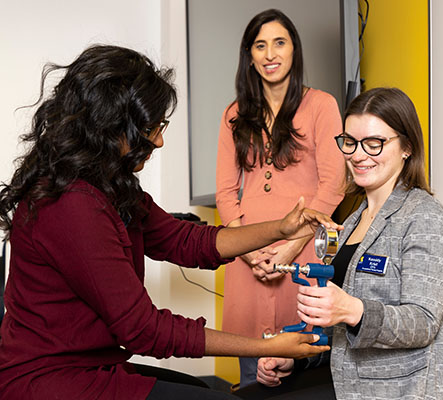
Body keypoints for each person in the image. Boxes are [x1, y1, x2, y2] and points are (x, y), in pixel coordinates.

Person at [0, 44, 337, 400]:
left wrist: (281, 228)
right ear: (111, 125)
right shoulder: (71, 205)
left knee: (199, 389)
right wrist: (266, 345)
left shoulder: (110, 184)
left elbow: (187, 241)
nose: (159, 141)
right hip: (46, 379)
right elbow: (144, 329)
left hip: (92, 363)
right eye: (150, 128)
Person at [239, 87, 443, 399]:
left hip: (406, 390)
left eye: (374, 143)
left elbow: (422, 322)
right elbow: (343, 328)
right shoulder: (354, 220)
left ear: (407, 147)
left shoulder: (424, 217)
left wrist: (352, 309)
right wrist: (297, 357)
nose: (357, 154)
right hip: (350, 382)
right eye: (350, 142)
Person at [215, 9, 345, 387]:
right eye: (260, 45)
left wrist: (292, 247)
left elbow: (334, 184)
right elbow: (225, 191)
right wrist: (247, 250)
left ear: (294, 50)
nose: (270, 53)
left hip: (304, 253)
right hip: (247, 257)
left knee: (301, 362)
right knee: (250, 372)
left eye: (279, 42)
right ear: (249, 55)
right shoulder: (233, 115)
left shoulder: (322, 105)